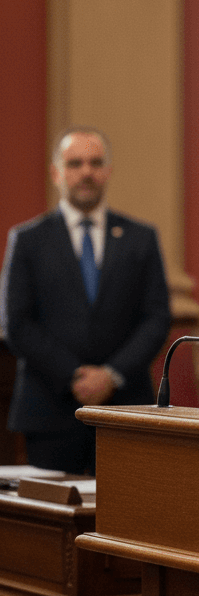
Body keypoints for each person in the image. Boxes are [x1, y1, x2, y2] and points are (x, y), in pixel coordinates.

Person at [0, 128, 171, 474]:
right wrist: (75, 374)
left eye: (95, 163)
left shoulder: (141, 238)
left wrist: (111, 375)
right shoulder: (28, 240)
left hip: (126, 408)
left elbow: (156, 318)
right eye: (75, 163)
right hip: (50, 409)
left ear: (108, 170)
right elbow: (16, 324)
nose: (86, 172)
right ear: (57, 172)